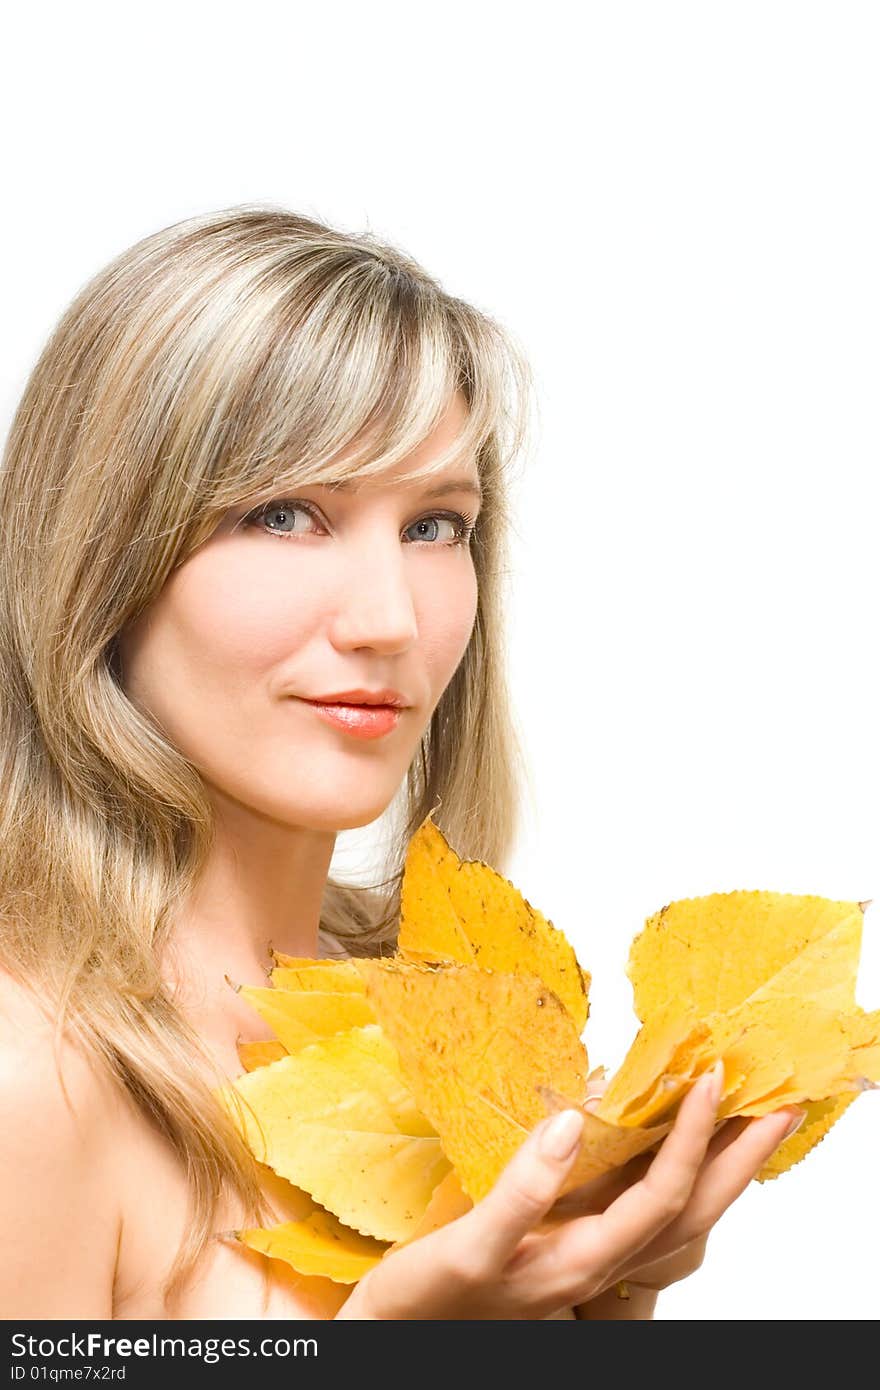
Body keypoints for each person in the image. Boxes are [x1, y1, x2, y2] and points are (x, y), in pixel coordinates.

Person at [0, 204, 804, 1322]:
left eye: (435, 526)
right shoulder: (32, 1079)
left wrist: (594, 1309)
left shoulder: (437, 1030)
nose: (389, 619)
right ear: (103, 559)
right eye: (284, 514)